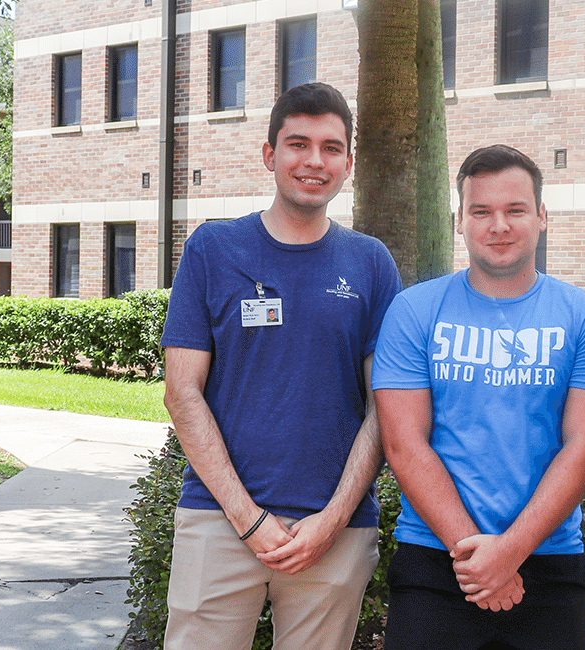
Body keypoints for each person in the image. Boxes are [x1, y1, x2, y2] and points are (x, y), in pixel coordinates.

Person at [159, 82, 402, 650]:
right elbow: (181, 393)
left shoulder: (371, 263)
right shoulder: (213, 250)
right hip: (218, 520)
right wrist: (247, 518)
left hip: (334, 533)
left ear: (348, 163)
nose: (314, 161)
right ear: (270, 155)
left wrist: (334, 518)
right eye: (298, 144)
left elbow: (384, 405)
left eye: (331, 147)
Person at [372, 144, 585, 650]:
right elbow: (404, 445)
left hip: (550, 562)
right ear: (459, 221)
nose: (499, 225)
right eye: (481, 211)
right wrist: (478, 558)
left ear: (542, 216)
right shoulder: (414, 311)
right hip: (434, 561)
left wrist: (510, 551)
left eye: (515, 210)